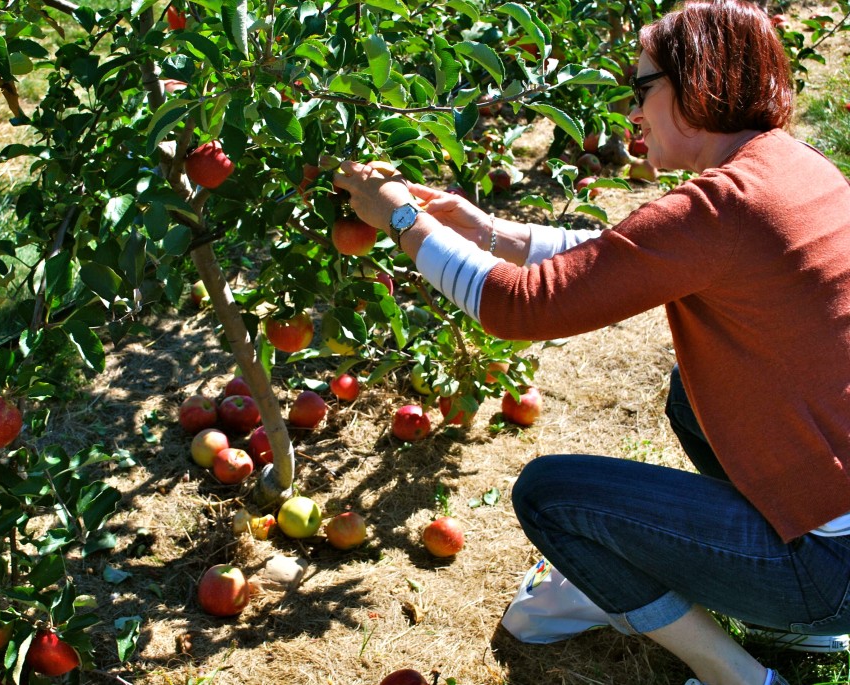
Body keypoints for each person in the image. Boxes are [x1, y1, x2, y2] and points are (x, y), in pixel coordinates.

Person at [332, 1, 850, 683]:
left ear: (699, 80)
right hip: (835, 536)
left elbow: (516, 307)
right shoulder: (786, 168)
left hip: (826, 572)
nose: (632, 113)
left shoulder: (719, 208)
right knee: (689, 397)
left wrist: (399, 219)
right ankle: (789, 616)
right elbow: (625, 256)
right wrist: (487, 230)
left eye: (642, 90)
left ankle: (742, 674)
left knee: (550, 496)